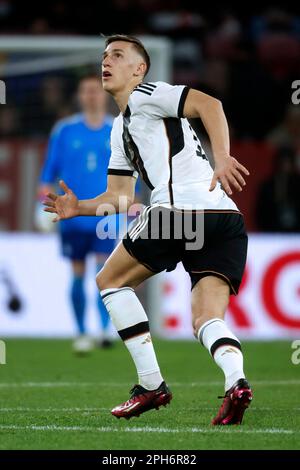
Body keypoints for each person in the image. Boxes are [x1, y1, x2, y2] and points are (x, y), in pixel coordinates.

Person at [43, 35, 252, 425]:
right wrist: (79, 208)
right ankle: (236, 382)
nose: (106, 61)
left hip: (179, 210)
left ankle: (151, 384)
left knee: (109, 280)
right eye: (104, 56)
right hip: (224, 218)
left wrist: (222, 158)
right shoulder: (121, 128)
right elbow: (120, 195)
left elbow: (210, 104)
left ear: (139, 69)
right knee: (206, 317)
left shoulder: (147, 94)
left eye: (118, 56)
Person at [38, 74, 115, 353]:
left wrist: (131, 208)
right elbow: (47, 174)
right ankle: (82, 332)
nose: (91, 95)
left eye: (96, 90)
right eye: (86, 91)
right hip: (71, 216)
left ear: (104, 94)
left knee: (104, 273)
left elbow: (133, 175)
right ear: (80, 96)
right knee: (78, 273)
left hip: (107, 215)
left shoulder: (118, 129)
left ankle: (105, 330)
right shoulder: (65, 130)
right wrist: (41, 205)